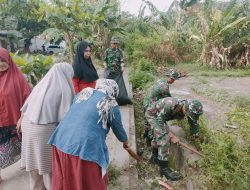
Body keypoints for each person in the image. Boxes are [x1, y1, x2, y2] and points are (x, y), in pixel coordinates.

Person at [48, 79, 129, 190]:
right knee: (89, 183)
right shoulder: (111, 103)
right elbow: (119, 130)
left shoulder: (83, 93)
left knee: (65, 180)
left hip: (60, 140)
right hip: (83, 147)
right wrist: (125, 141)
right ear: (113, 92)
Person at [17, 63, 75, 190]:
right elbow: (67, 116)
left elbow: (25, 107)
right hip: (43, 130)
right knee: (49, 169)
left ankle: (36, 188)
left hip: (28, 126)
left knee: (34, 166)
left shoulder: (41, 85)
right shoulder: (63, 88)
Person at [145, 97, 203, 181]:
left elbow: (194, 125)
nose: (190, 116)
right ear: (185, 108)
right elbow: (160, 121)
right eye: (189, 114)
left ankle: (154, 157)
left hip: (161, 117)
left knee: (158, 134)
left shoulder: (190, 110)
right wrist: (172, 136)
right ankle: (164, 170)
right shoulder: (171, 104)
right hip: (153, 114)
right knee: (163, 138)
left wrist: (197, 140)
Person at [0, 48, 31, 183]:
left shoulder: (19, 78)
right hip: (1, 122)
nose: (0, 64)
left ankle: (29, 165)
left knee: (23, 146)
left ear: (9, 60)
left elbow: (28, 100)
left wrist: (22, 118)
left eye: (3, 60)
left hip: (16, 122)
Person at [143, 69, 180, 146]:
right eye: (173, 79)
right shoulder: (164, 87)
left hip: (147, 103)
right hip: (151, 106)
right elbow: (169, 100)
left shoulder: (160, 80)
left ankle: (147, 143)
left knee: (147, 124)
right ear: (170, 77)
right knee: (152, 126)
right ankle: (151, 145)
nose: (173, 81)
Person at [103, 37, 132, 106]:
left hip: (117, 72)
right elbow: (104, 61)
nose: (114, 45)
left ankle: (120, 100)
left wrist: (122, 67)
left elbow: (122, 60)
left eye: (116, 44)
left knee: (119, 86)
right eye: (113, 43)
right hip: (109, 71)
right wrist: (105, 66)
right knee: (109, 86)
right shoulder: (107, 51)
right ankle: (109, 100)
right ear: (111, 43)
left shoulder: (119, 51)